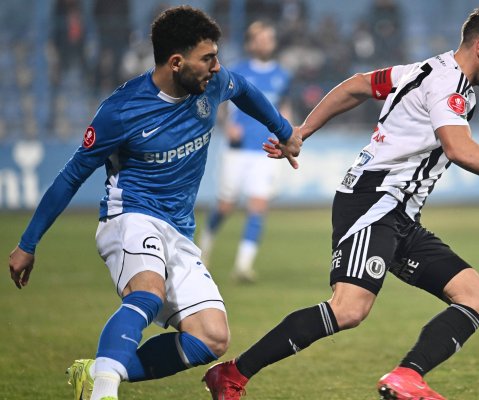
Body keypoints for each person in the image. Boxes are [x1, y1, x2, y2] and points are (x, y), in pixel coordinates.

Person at [202, 8, 479, 400]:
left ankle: (407, 377)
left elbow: (358, 85)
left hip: (400, 214)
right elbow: (459, 149)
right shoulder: (448, 85)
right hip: (373, 203)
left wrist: (303, 131)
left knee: (475, 297)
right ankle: (232, 374)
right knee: (348, 309)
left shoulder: (425, 70)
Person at [7, 6, 301, 400]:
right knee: (147, 294)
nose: (217, 67)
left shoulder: (212, 84)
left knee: (212, 337)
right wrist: (28, 243)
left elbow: (244, 89)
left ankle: (98, 370)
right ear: (176, 62)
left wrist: (283, 130)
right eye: (208, 59)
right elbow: (71, 175)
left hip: (178, 228)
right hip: (129, 215)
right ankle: (103, 393)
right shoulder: (122, 110)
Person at [199, 20, 293, 282]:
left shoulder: (283, 75)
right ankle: (204, 246)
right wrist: (226, 124)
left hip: (266, 149)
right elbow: (217, 102)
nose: (265, 43)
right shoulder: (235, 71)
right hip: (237, 150)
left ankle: (243, 266)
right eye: (260, 39)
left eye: (269, 38)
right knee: (225, 205)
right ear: (251, 43)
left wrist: (287, 134)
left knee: (258, 206)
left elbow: (284, 107)